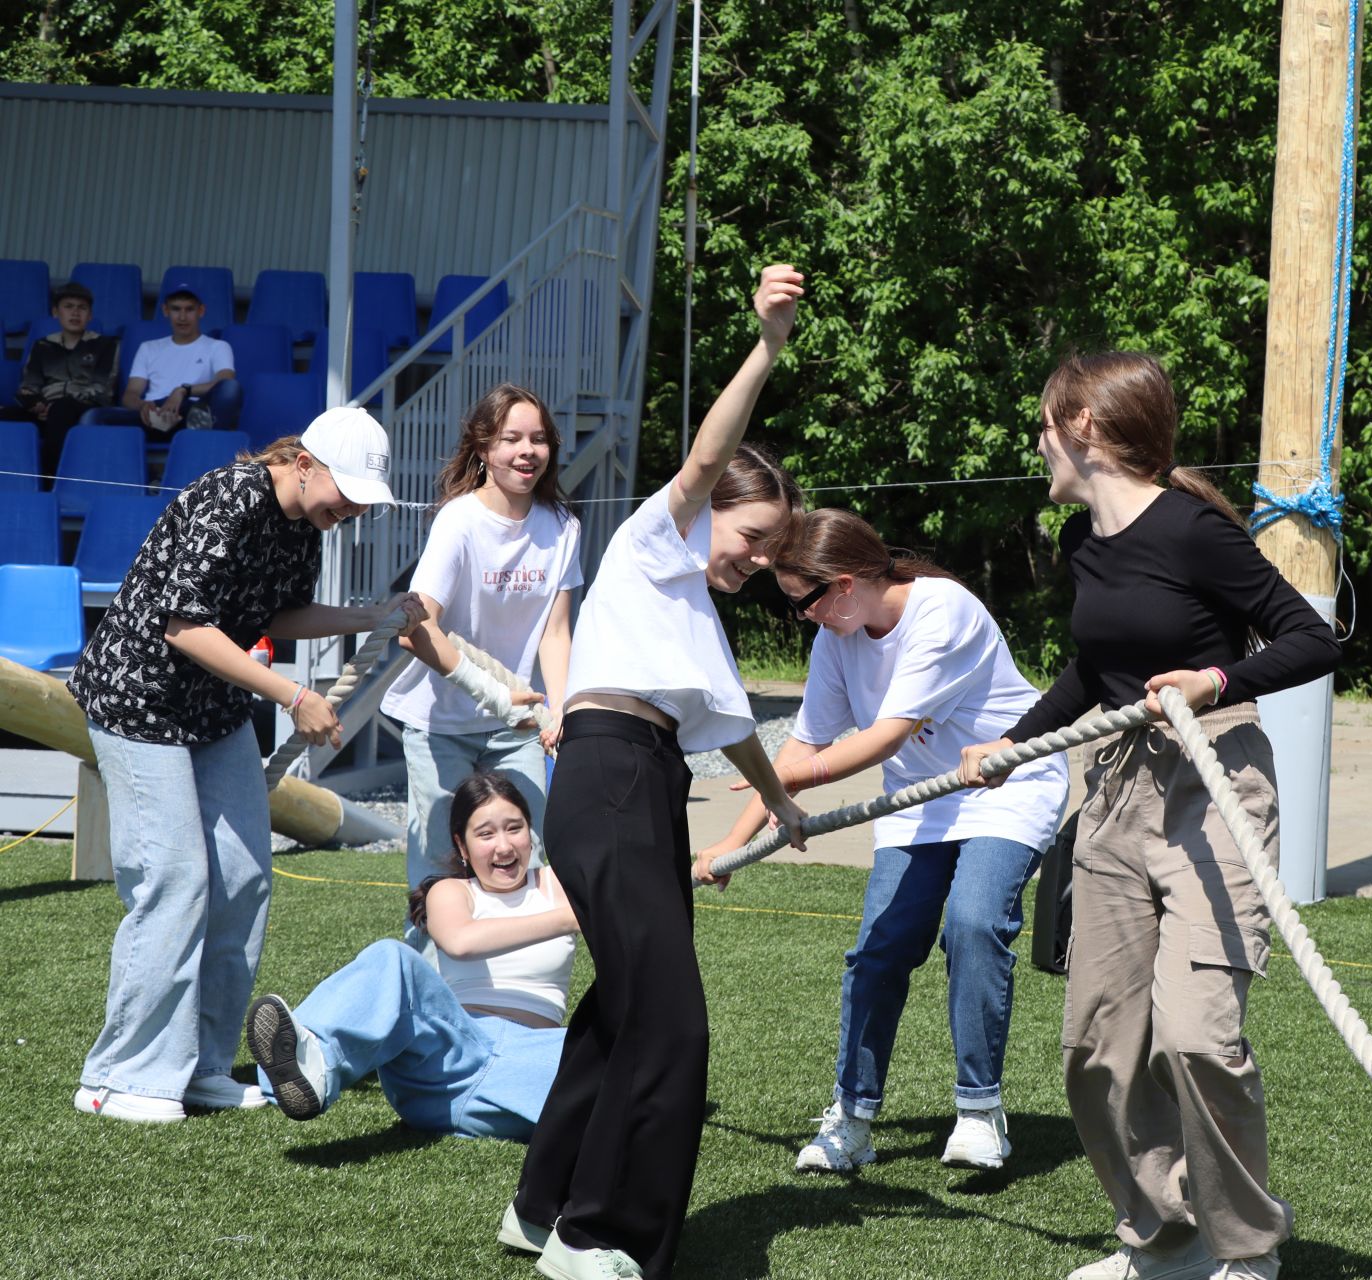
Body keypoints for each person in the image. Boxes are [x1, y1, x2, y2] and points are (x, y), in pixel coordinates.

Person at [958, 352, 1341, 1280]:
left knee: (1200, 1038)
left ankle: (1246, 1253)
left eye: (1045, 425)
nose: (1038, 444)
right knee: (1097, 1047)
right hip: (1115, 794)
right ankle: (1163, 1240)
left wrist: (1215, 681)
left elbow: (1311, 638)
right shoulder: (1086, 546)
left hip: (1211, 786)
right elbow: (1098, 671)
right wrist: (1011, 742)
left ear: (1083, 426)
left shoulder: (1192, 533)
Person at [508, 264, 813, 1280]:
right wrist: (766, 345)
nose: (759, 562)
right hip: (608, 776)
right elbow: (704, 455)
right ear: (708, 513)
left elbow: (727, 727)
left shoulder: (688, 614)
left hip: (643, 785)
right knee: (670, 1021)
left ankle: (542, 1201)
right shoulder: (653, 539)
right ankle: (594, 1235)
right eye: (754, 538)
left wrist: (779, 803)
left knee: (624, 1006)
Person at [67, 406, 426, 1125]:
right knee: (175, 878)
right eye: (345, 491)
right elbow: (186, 625)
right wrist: (294, 695)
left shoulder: (303, 526)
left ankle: (197, 1068)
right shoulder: (228, 497)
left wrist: (369, 617)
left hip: (212, 713)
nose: (351, 507)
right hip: (140, 705)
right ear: (302, 463)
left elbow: (276, 615)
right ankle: (116, 1075)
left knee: (242, 877)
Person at [694, 508, 1069, 1175]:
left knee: (974, 922)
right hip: (920, 803)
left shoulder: (941, 610)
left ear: (842, 584)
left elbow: (885, 736)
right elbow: (806, 741)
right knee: (879, 951)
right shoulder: (838, 639)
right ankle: (853, 1118)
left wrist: (789, 778)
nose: (800, 616)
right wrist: (734, 840)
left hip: (1006, 788)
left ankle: (980, 1112)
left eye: (802, 601)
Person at [248, 771, 574, 1150]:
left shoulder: (557, 884)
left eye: (514, 828)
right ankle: (314, 1062)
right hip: (447, 1058)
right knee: (394, 957)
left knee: (619, 1061)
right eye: (485, 834)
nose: (503, 846)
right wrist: (571, 918)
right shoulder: (451, 891)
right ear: (462, 847)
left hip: (527, 1061)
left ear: (531, 832)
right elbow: (460, 942)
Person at [381, 384, 582, 945]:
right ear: (482, 448)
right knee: (440, 870)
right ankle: (422, 1001)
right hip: (439, 723)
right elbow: (416, 629)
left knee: (526, 854)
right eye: (511, 438)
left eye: (538, 439)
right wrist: (491, 693)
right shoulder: (459, 522)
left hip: (516, 727)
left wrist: (559, 707)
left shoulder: (563, 526)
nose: (527, 451)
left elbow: (556, 629)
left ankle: (518, 999)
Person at [1, 280, 119, 476]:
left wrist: (56, 405)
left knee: (62, 409)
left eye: (82, 308)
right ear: (56, 312)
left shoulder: (105, 345)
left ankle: (50, 480)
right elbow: (29, 386)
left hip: (84, 408)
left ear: (90, 315)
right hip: (45, 409)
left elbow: (103, 389)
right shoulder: (43, 346)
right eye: (68, 307)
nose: (75, 313)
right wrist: (36, 404)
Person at [119, 280, 242, 438]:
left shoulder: (218, 347)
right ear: (165, 310)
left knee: (229, 390)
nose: (182, 317)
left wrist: (182, 391)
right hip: (154, 411)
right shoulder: (148, 347)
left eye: (189, 309)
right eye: (176, 309)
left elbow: (226, 384)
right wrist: (142, 405)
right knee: (95, 417)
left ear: (201, 311)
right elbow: (131, 394)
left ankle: (192, 427)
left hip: (191, 406)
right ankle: (190, 429)